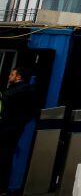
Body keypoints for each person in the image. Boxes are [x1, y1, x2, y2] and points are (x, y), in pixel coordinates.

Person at [1, 66, 38, 196]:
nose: (9, 76)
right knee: (6, 156)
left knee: (4, 157)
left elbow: (5, 102)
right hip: (15, 128)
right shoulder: (29, 90)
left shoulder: (15, 91)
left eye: (12, 74)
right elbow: (32, 111)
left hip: (6, 128)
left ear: (18, 77)